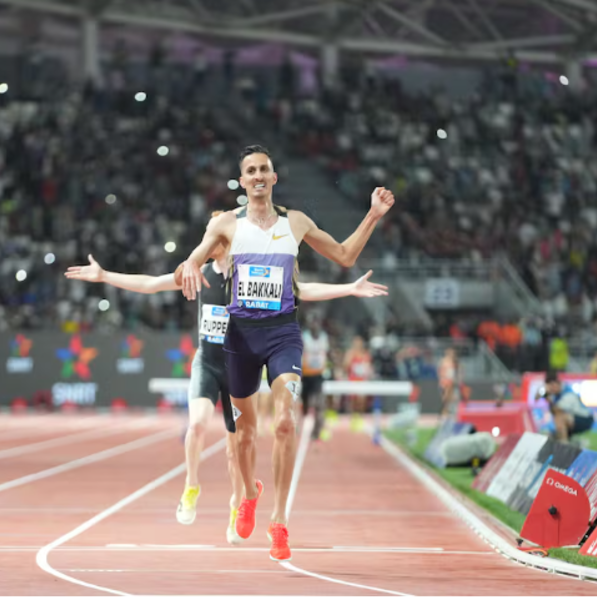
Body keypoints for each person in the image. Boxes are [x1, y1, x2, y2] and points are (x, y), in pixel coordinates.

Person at [64, 228, 387, 546]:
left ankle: (237, 505)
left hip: (237, 364)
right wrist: (104, 275)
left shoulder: (246, 275)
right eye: (210, 236)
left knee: (236, 451)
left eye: (220, 237)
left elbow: (300, 290)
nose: (214, 241)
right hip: (207, 361)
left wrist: (348, 288)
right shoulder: (196, 272)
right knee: (197, 424)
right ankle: (191, 486)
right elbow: (150, 284)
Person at [176, 144, 395, 561]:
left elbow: (345, 255)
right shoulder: (225, 224)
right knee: (242, 437)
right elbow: (199, 253)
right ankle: (250, 495)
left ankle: (278, 523)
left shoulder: (295, 223)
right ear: (243, 182)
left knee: (283, 423)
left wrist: (372, 216)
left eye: (265, 169)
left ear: (274, 178)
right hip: (239, 339)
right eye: (251, 170)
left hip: (282, 335)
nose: (259, 175)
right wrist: (189, 264)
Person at [301, 315, 330, 441]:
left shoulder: (324, 338)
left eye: (317, 323)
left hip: (318, 374)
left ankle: (317, 430)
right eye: (313, 323)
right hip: (306, 374)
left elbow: (326, 353)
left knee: (319, 403)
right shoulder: (304, 337)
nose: (315, 326)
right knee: (306, 403)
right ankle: (304, 418)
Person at [543, 372, 594, 443]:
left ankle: (564, 444)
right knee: (550, 434)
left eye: (552, 386)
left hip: (584, 418)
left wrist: (547, 398)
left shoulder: (568, 394)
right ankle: (573, 441)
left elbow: (557, 410)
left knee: (560, 417)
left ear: (557, 384)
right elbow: (537, 397)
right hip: (572, 418)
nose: (551, 389)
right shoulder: (557, 395)